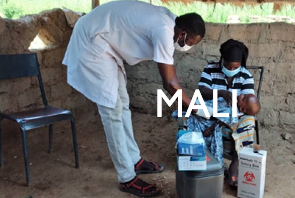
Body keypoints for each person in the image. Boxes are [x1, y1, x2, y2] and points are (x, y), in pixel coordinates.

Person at [62, 1, 206, 197]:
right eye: (191, 42)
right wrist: (196, 108)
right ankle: (126, 177)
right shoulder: (164, 30)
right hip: (92, 40)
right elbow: (171, 84)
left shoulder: (170, 22)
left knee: (123, 104)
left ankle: (134, 160)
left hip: (105, 42)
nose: (189, 47)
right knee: (112, 112)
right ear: (182, 34)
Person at [175, 39, 260, 189]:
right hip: (210, 109)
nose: (231, 69)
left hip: (232, 116)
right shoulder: (210, 68)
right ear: (222, 60)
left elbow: (249, 105)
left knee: (249, 121)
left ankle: (236, 162)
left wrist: (232, 111)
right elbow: (201, 91)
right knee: (186, 113)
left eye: (235, 66)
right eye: (228, 66)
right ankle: (197, 159)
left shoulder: (246, 76)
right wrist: (221, 93)